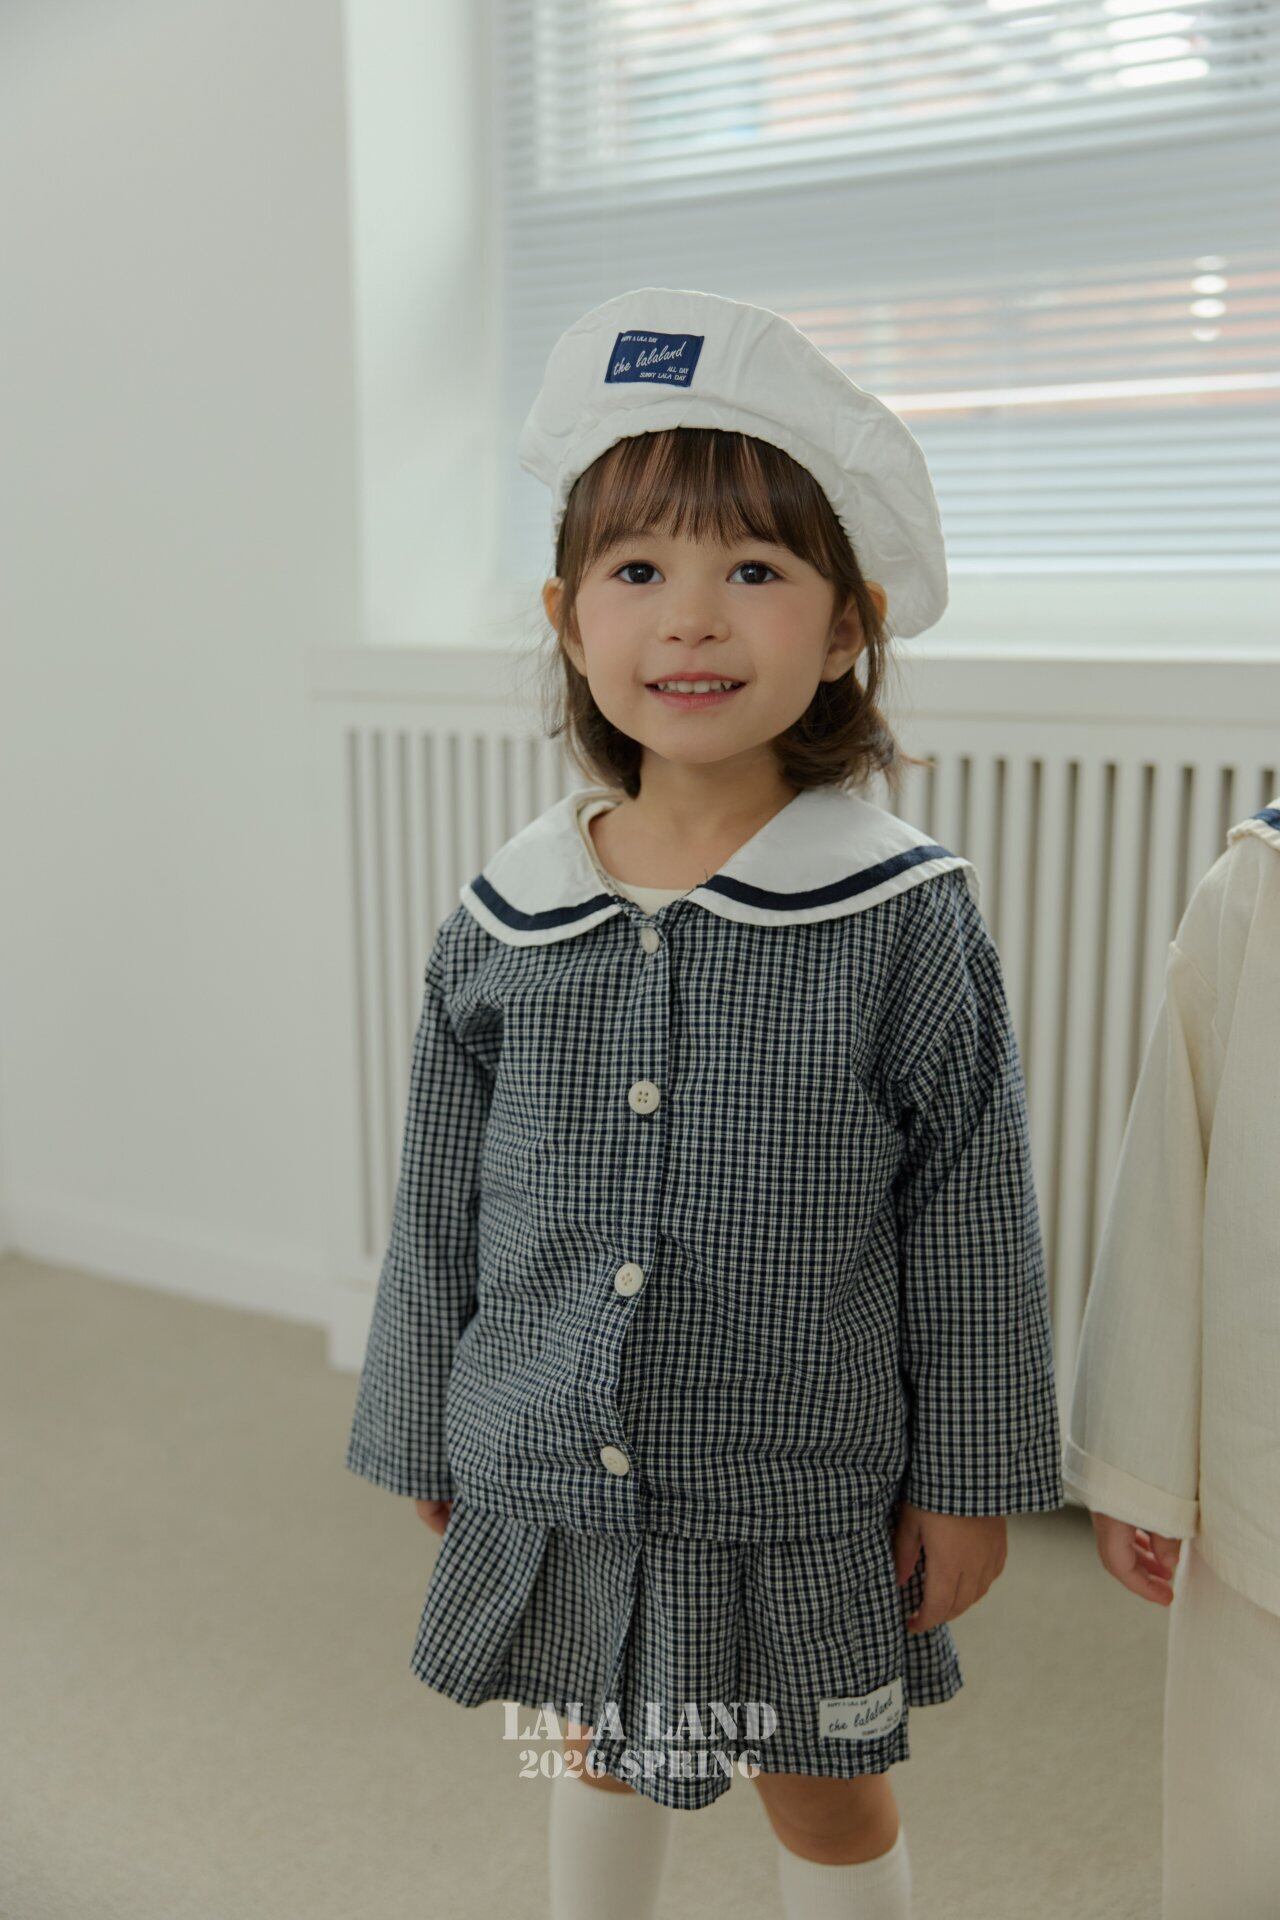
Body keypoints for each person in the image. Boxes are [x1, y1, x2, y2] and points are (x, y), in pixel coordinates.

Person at [344, 287, 1065, 1920]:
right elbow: (438, 1198)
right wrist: (425, 1418)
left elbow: (970, 1221)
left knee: (823, 1786)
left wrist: (968, 1480)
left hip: (793, 1484)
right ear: (567, 617)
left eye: (752, 571)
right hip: (551, 1455)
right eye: (637, 573)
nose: (691, 622)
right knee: (599, 1741)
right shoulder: (508, 914)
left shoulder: (900, 916)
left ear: (847, 624)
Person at [1062, 797, 1280, 1920]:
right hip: (1265, 1479)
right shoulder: (1259, 884)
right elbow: (1170, 1169)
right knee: (1248, 1811)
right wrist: (1140, 1463)